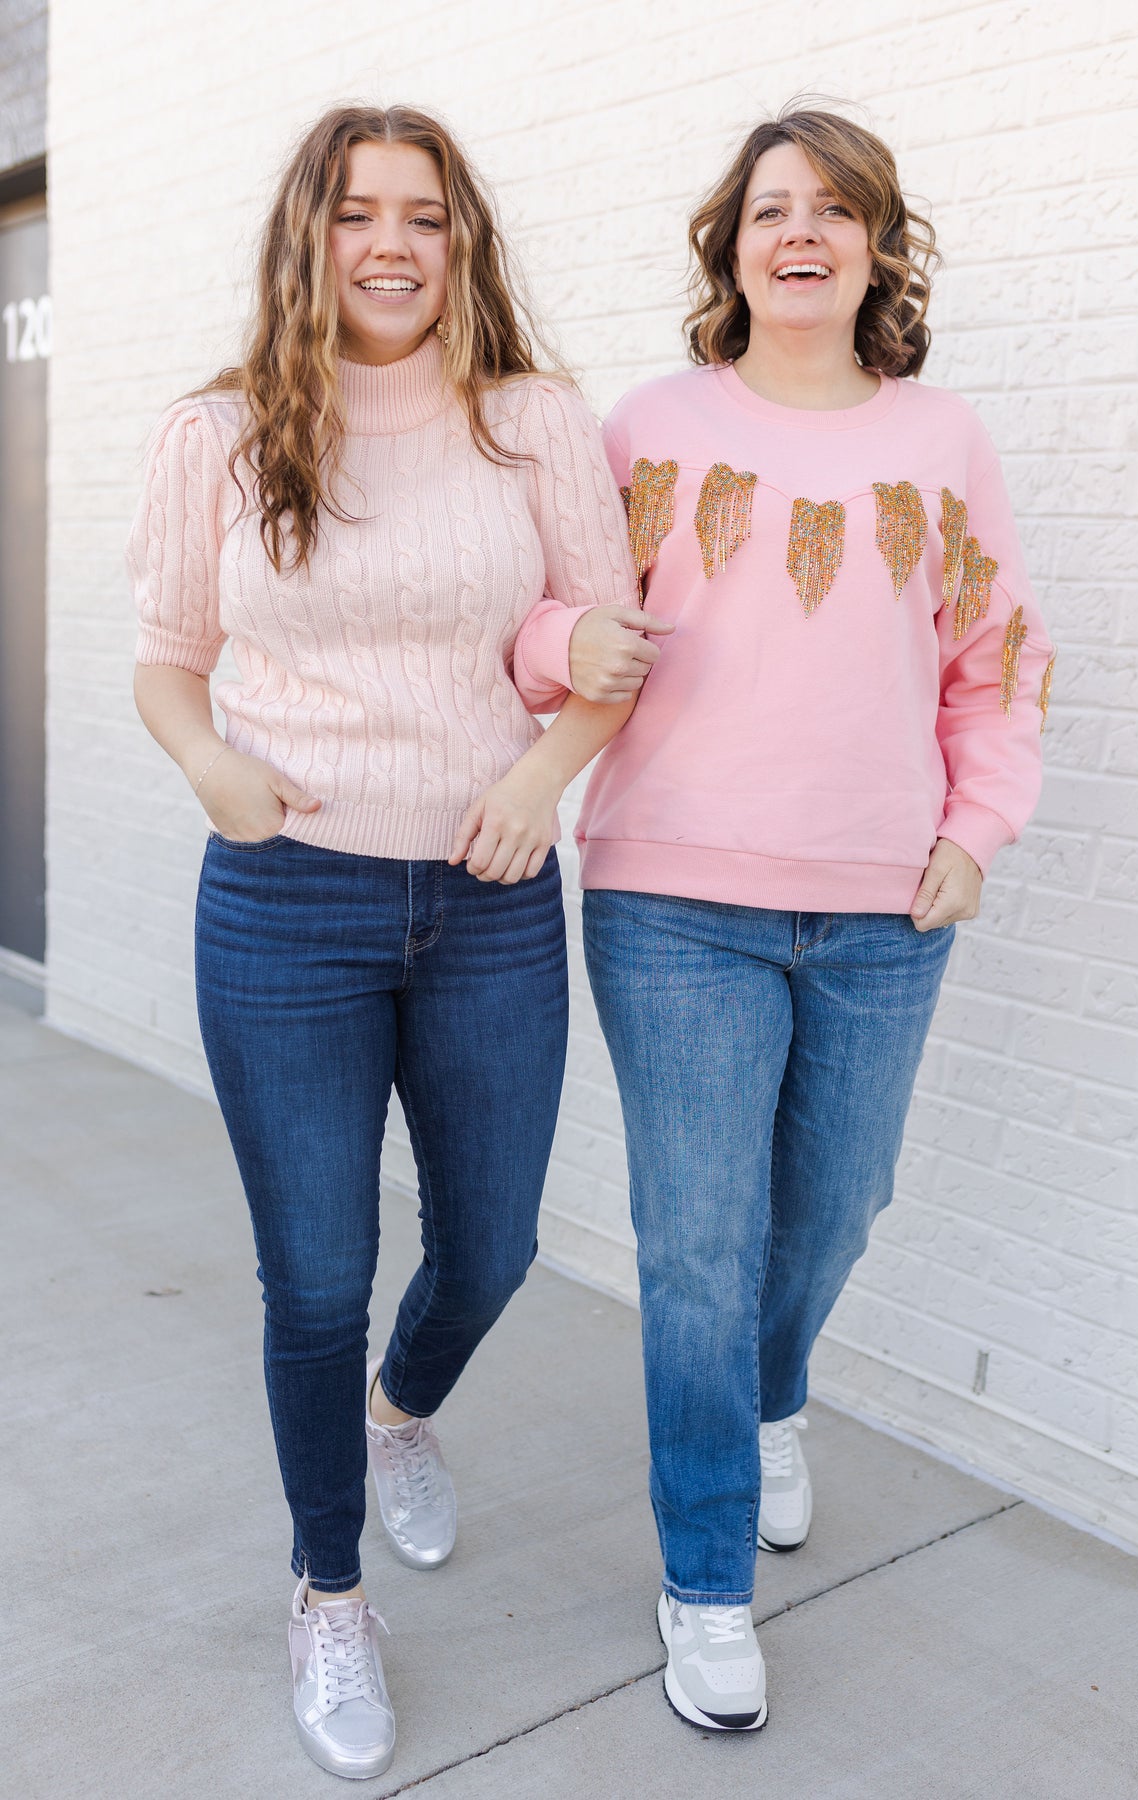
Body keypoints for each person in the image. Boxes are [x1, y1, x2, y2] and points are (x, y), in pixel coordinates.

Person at [512, 105, 1054, 1732]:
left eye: (832, 208)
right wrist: (552, 650)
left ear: (877, 246)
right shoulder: (650, 425)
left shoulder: (942, 440)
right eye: (769, 209)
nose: (800, 230)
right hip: (675, 902)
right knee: (698, 1244)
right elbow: (546, 613)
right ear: (731, 248)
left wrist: (978, 829)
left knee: (835, 1208)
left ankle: (771, 1398)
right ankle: (705, 1584)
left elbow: (995, 657)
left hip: (887, 908)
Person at [129, 103, 654, 1780]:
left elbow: (612, 649)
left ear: (461, 241)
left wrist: (542, 780)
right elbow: (167, 658)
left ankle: (400, 1412)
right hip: (286, 900)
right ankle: (329, 1588)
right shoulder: (219, 432)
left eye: (424, 217)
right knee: (314, 1276)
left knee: (492, 1246)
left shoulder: (533, 420)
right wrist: (211, 764)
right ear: (311, 236)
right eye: (358, 213)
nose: (392, 246)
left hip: (490, 895)